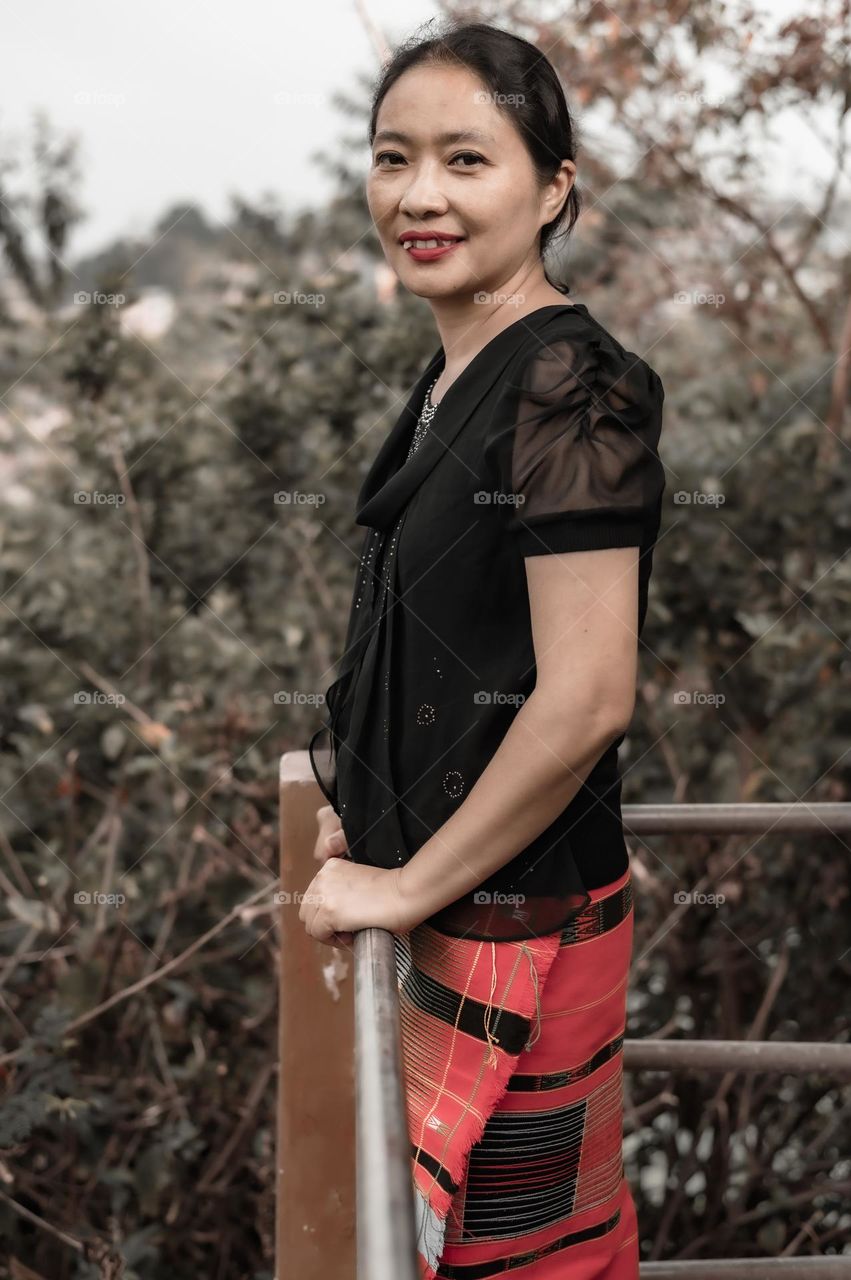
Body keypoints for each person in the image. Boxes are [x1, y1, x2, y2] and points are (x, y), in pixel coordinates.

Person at [300, 19, 666, 1278]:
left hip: (522, 921)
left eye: (466, 160)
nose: (418, 196)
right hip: (472, 903)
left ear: (552, 187)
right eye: (391, 158)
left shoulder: (571, 386)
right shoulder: (457, 369)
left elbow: (586, 695)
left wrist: (399, 888)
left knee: (530, 1264)